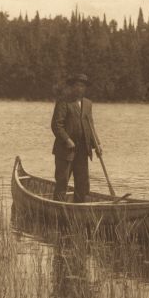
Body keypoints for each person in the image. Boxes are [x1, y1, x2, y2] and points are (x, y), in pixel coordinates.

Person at [51, 73, 102, 203]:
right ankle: (59, 212)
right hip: (65, 151)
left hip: (82, 151)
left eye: (83, 86)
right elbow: (56, 125)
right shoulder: (63, 101)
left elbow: (90, 126)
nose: (80, 88)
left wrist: (97, 144)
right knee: (62, 182)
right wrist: (67, 140)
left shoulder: (88, 104)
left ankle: (79, 212)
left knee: (83, 184)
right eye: (77, 85)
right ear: (72, 87)